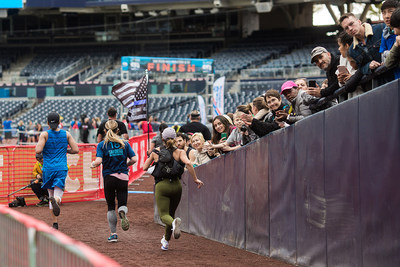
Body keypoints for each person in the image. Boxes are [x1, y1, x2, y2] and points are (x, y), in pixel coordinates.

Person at [143, 127, 203, 251]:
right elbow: (189, 164)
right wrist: (195, 179)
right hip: (176, 185)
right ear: (175, 138)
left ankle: (173, 224)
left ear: (163, 139)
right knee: (171, 214)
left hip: (162, 185)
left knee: (164, 215)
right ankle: (166, 242)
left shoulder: (156, 151)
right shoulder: (180, 152)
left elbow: (144, 167)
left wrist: (154, 162)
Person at [90, 120, 137, 243]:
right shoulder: (125, 144)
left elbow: (99, 161)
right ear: (118, 130)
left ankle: (113, 234)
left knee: (111, 206)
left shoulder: (102, 145)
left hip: (109, 177)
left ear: (105, 131)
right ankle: (122, 211)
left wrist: (93, 164)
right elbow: (134, 159)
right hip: (123, 176)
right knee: (122, 203)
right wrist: (127, 164)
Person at [35, 112, 79, 230]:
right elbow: (76, 150)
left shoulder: (45, 134)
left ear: (48, 123)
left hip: (48, 168)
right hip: (61, 167)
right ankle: (57, 200)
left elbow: (38, 150)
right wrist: (65, 151)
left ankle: (55, 223)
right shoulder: (66, 134)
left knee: (50, 194)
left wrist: (45, 148)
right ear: (59, 122)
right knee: (58, 192)